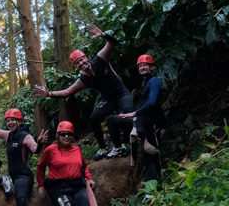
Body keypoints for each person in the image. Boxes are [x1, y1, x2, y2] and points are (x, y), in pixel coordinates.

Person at [33, 24, 134, 160]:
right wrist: (49, 94)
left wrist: (103, 35)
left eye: (81, 60)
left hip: (122, 93)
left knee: (127, 114)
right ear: (76, 66)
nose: (81, 63)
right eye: (77, 63)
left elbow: (112, 43)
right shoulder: (84, 79)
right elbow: (67, 92)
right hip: (108, 99)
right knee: (94, 117)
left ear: (86, 58)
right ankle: (103, 148)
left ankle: (124, 143)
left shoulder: (100, 59)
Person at [0, 103, 48, 206]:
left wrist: (40, 143)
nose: (10, 123)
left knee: (21, 200)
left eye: (13, 120)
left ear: (19, 122)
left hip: (24, 176)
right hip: (13, 177)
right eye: (8, 121)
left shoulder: (25, 136)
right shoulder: (8, 135)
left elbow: (35, 149)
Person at [119, 54, 165, 182]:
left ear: (151, 67)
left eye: (145, 65)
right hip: (146, 122)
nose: (143, 67)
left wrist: (135, 113)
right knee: (149, 156)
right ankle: (156, 186)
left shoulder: (154, 81)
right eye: (141, 66)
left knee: (150, 155)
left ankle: (153, 190)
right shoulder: (146, 82)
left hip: (151, 122)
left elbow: (153, 102)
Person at [36, 121, 97, 206]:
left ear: (72, 136)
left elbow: (83, 166)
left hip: (77, 186)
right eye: (63, 134)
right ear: (58, 136)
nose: (66, 136)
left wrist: (89, 178)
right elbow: (40, 166)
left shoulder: (77, 150)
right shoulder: (51, 150)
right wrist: (41, 185)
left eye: (69, 134)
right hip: (58, 187)